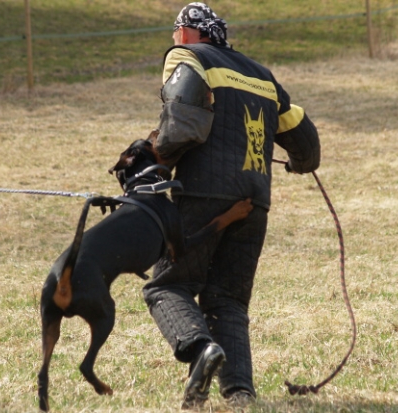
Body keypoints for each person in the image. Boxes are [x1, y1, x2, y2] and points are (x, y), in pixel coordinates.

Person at [142, 2, 321, 409]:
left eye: (175, 32)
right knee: (228, 299)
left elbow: (183, 122)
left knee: (167, 286)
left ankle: (199, 348)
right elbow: (306, 142)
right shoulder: (262, 75)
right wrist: (296, 164)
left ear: (188, 32)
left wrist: (156, 164)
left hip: (203, 192)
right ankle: (239, 392)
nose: (173, 40)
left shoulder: (188, 56)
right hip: (255, 200)